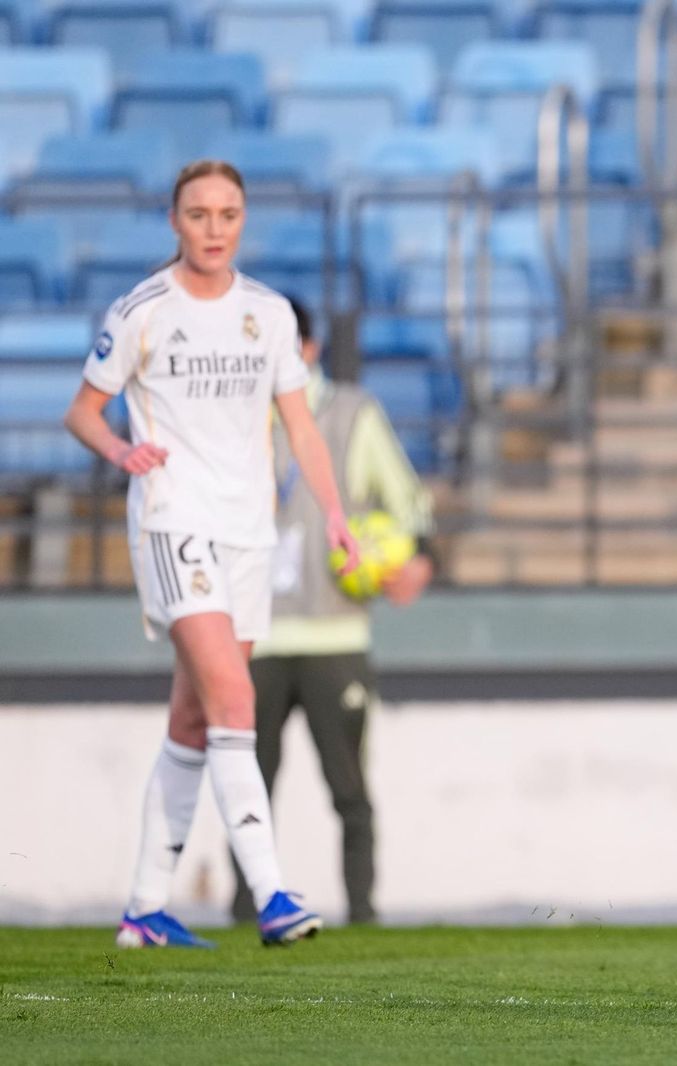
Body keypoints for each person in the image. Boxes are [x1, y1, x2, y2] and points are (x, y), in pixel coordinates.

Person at [64, 160, 359, 949]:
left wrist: (334, 513)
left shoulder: (265, 313)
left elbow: (300, 427)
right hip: (174, 522)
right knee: (235, 699)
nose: (215, 228)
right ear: (175, 221)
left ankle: (143, 909)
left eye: (228, 214)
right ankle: (272, 894)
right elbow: (83, 411)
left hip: (248, 533)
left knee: (195, 715)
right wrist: (121, 450)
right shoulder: (142, 312)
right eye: (199, 214)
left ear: (242, 220)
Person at [227, 296, 437, 927]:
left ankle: (363, 916)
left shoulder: (352, 412)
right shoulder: (235, 418)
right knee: (247, 789)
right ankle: (245, 915)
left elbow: (408, 503)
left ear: (309, 350)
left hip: (335, 633)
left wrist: (416, 558)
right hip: (252, 639)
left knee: (350, 791)